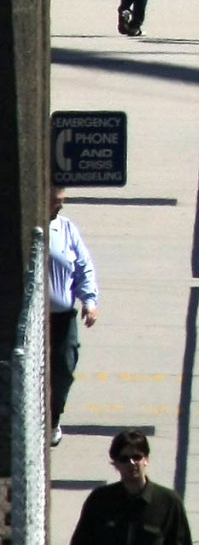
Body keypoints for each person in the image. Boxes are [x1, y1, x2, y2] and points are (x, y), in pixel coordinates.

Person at [67, 429, 197, 545]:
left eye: (137, 457)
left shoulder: (169, 504)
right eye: (124, 458)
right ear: (115, 464)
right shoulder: (99, 501)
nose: (132, 463)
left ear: (146, 459)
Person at [47, 187, 99, 446]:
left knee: (64, 369)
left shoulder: (65, 229)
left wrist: (89, 301)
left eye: (62, 201)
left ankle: (53, 418)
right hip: (32, 319)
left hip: (62, 318)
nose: (60, 206)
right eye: (56, 201)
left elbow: (83, 266)